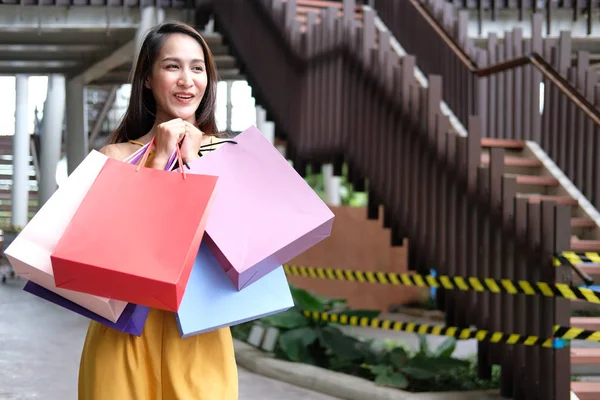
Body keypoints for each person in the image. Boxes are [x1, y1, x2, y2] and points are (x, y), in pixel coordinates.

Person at [77, 21, 239, 399]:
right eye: (172, 66)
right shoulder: (113, 158)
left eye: (197, 68)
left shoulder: (226, 156)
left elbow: (236, 248)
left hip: (201, 334)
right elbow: (107, 255)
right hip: (122, 336)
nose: (187, 80)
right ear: (148, 78)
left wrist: (198, 163)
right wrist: (160, 160)